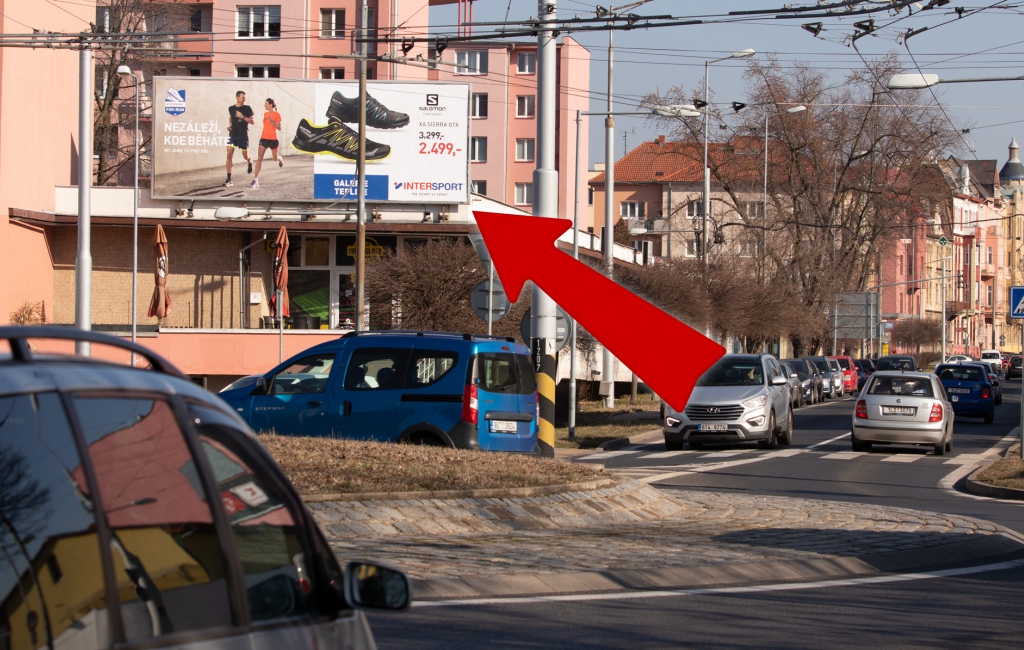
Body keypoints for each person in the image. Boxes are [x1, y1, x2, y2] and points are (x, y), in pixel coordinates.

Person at [250, 98, 283, 190]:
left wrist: (272, 122)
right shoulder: (265, 114)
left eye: (266, 104)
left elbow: (279, 128)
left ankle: (280, 158)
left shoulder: (277, 114)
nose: (264, 105)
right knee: (259, 159)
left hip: (273, 139)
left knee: (275, 159)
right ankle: (255, 180)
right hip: (264, 138)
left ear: (271, 105)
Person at [224, 90, 254, 187]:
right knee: (229, 154)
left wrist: (242, 116)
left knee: (245, 156)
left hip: (243, 135)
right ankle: (229, 179)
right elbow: (231, 117)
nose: (244, 99)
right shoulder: (231, 108)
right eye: (243, 97)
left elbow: (252, 121)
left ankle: (250, 161)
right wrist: (230, 125)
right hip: (233, 135)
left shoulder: (247, 108)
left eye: (245, 97)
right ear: (237, 97)